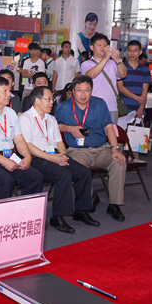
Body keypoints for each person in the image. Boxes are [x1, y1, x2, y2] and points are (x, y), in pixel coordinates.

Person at [18, 86, 98, 232]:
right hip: (37, 157)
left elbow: (59, 142)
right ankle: (57, 217)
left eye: (52, 99)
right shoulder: (25, 118)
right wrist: (51, 158)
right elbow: (27, 145)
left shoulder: (51, 119)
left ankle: (81, 211)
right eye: (48, 99)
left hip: (54, 154)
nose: (52, 102)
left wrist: (63, 156)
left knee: (83, 172)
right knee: (63, 175)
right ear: (36, 100)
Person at [56, 76, 127, 221]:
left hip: (102, 149)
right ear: (73, 91)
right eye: (79, 90)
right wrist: (69, 129)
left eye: (87, 90)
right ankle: (90, 197)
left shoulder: (100, 104)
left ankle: (114, 204)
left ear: (91, 91)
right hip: (77, 151)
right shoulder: (63, 107)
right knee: (77, 169)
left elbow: (109, 127)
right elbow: (55, 126)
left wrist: (114, 149)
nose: (83, 94)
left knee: (119, 163)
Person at [81, 34, 127, 124]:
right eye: (99, 45)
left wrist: (118, 59)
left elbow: (123, 74)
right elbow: (92, 74)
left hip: (112, 106)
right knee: (94, 135)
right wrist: (106, 58)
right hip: (93, 107)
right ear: (91, 47)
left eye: (105, 45)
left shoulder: (112, 63)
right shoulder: (86, 64)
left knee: (111, 136)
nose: (102, 47)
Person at [116, 40, 152, 128]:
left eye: (135, 51)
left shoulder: (145, 69)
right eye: (130, 50)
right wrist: (137, 98)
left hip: (138, 110)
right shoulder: (121, 67)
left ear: (140, 52)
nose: (132, 53)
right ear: (127, 51)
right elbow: (120, 87)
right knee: (121, 138)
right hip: (122, 109)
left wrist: (141, 107)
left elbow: (145, 90)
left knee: (136, 140)